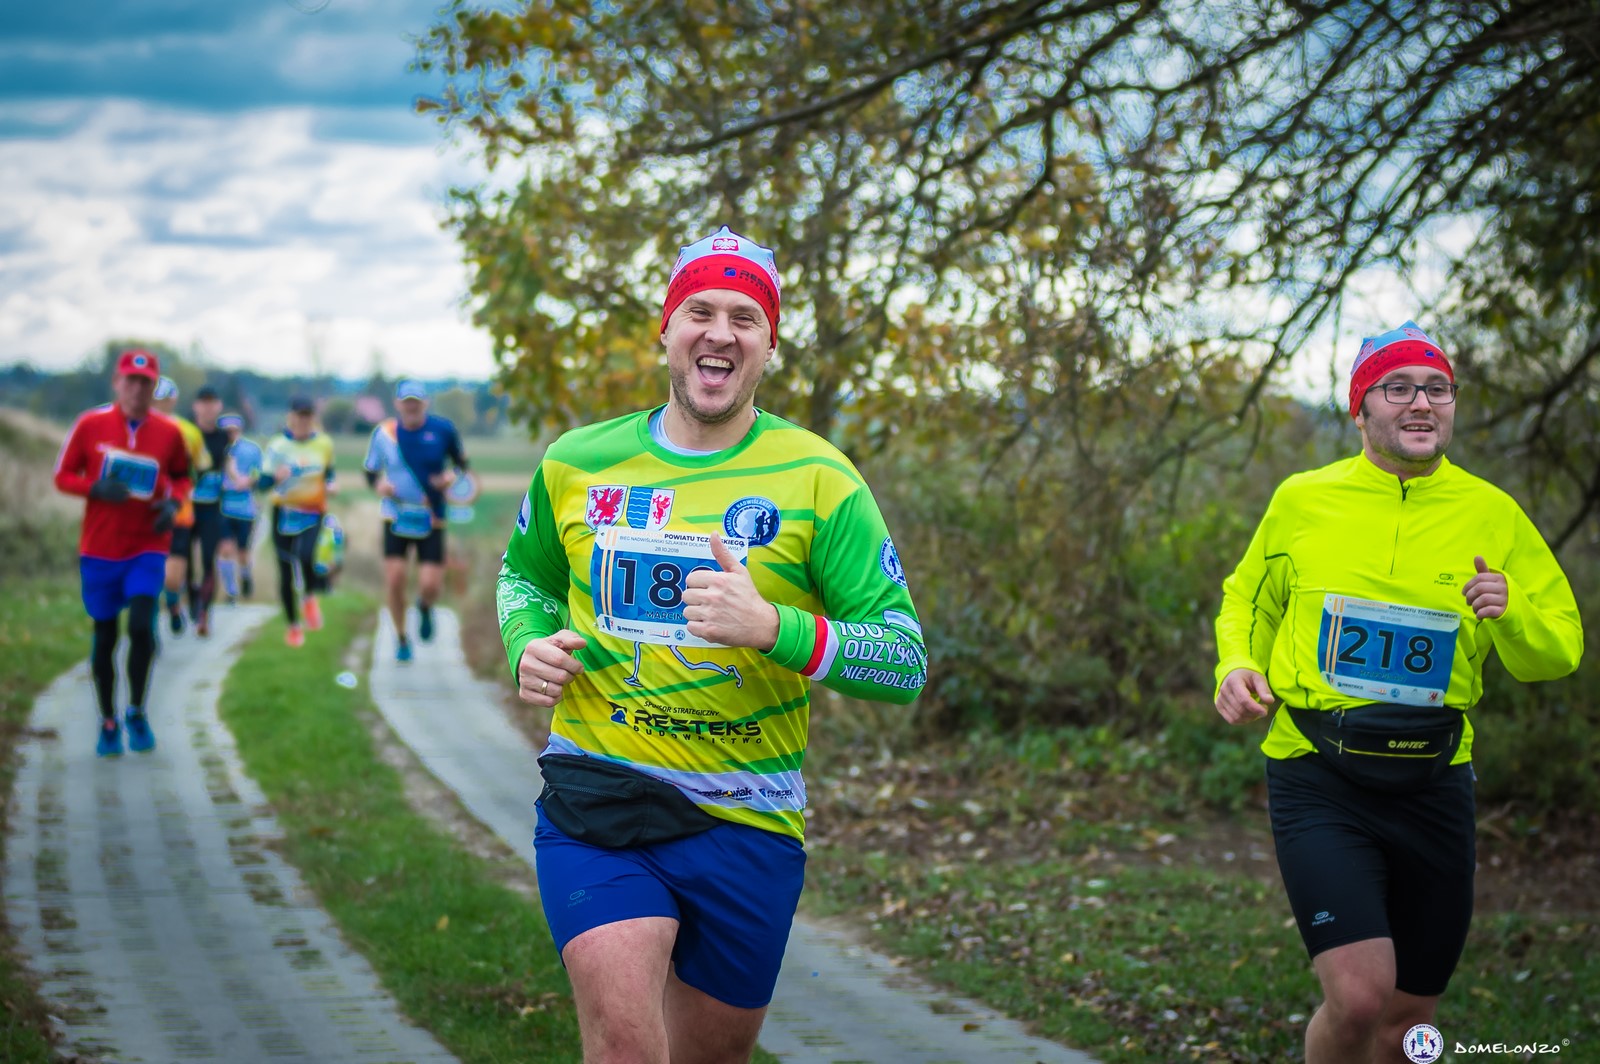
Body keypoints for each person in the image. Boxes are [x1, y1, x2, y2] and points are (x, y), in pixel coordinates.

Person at [498, 224, 927, 1062]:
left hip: (747, 816)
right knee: (627, 1047)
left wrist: (775, 629)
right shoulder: (577, 461)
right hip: (600, 796)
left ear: (770, 345)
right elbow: (526, 577)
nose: (719, 333)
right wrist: (526, 641)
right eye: (700, 311)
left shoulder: (821, 479)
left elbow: (903, 659)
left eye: (744, 317)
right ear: (666, 329)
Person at [1213, 322, 1583, 1064]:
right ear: (1361, 408)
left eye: (1437, 389)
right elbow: (1248, 598)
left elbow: (1561, 649)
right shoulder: (1303, 499)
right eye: (1399, 388)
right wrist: (1237, 664)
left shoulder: (1493, 512)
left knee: (1408, 1020)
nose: (1422, 403)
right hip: (1317, 770)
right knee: (1358, 997)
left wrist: (1511, 611)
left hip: (1435, 779)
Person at [52, 348, 191, 756]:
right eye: (131, 380)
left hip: (147, 544)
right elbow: (62, 476)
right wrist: (94, 488)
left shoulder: (169, 433)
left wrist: (172, 505)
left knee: (142, 627)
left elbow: (182, 477)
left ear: (154, 387)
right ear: (117, 382)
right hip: (100, 548)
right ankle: (108, 719)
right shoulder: (90, 424)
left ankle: (137, 711)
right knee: (106, 636)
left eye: (146, 383)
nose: (137, 389)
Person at [363, 379, 470, 662]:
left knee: (430, 584)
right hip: (395, 514)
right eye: (406, 402)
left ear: (425, 403)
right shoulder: (384, 434)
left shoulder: (443, 430)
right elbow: (370, 471)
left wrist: (450, 477)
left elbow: (461, 464)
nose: (411, 407)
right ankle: (401, 638)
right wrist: (379, 485)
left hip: (431, 515)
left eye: (416, 402)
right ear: (397, 404)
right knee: (395, 579)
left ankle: (424, 606)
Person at [260, 396, 336, 647]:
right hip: (283, 513)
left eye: (307, 415)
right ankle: (293, 626)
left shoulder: (324, 444)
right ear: (290, 417)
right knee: (285, 572)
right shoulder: (278, 446)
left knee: (306, 556)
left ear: (313, 418)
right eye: (299, 415)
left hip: (313, 510)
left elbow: (329, 471)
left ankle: (309, 597)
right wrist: (276, 477)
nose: (303, 420)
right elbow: (262, 484)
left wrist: (331, 484)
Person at [151, 376, 210, 636]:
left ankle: (174, 603)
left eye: (163, 400)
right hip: (147, 511)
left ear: (173, 400)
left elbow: (201, 467)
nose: (159, 405)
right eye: (155, 400)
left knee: (172, 576)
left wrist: (185, 484)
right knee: (150, 572)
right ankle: (149, 628)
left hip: (179, 511)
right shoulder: (138, 427)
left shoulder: (188, 431)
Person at [187, 385, 230, 634]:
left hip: (212, 509)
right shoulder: (187, 433)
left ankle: (205, 611)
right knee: (184, 560)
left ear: (219, 406)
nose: (208, 407)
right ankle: (191, 596)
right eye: (203, 402)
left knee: (208, 559)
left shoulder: (224, 437)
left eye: (212, 402)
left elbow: (230, 468)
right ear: (196, 406)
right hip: (187, 506)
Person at [216, 413, 261, 602]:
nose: (230, 434)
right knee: (225, 549)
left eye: (233, 431)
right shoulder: (218, 449)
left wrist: (248, 481)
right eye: (227, 431)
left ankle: (245, 575)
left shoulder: (252, 449)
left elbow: (258, 472)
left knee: (243, 552)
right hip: (223, 506)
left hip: (245, 509)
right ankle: (231, 590)